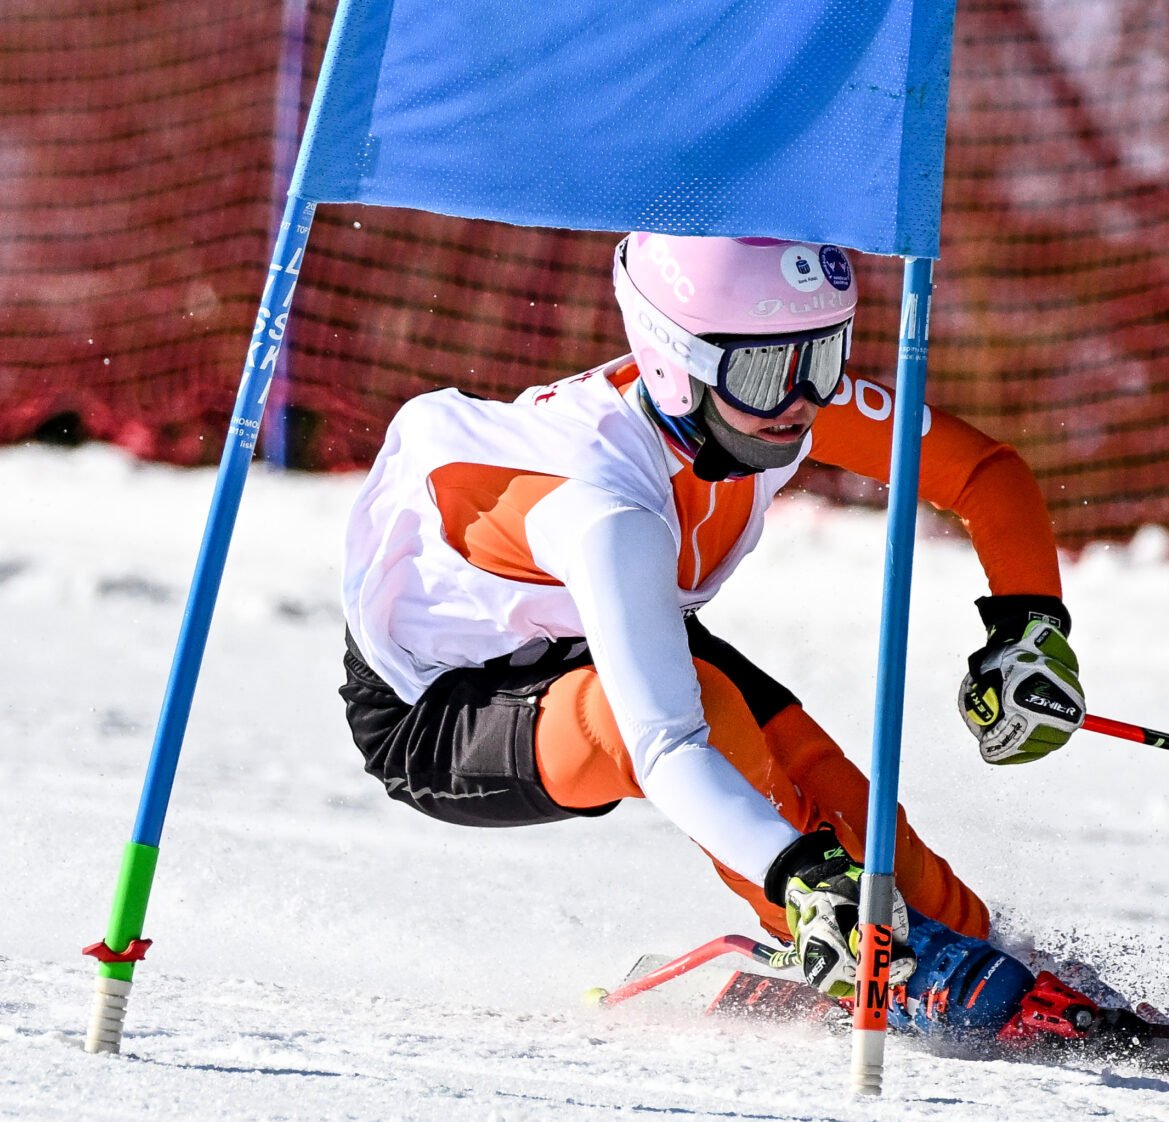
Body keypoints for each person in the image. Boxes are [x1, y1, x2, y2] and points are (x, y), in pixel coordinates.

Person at [338, 233, 1088, 1035]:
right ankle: (861, 955)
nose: (802, 399)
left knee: (837, 796)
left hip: (572, 628)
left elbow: (983, 473)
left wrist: (1029, 624)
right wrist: (797, 877)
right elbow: (665, 747)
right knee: (714, 719)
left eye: (824, 355)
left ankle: (966, 937)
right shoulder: (606, 511)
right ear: (674, 366)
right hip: (439, 705)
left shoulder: (761, 399)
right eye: (767, 371)